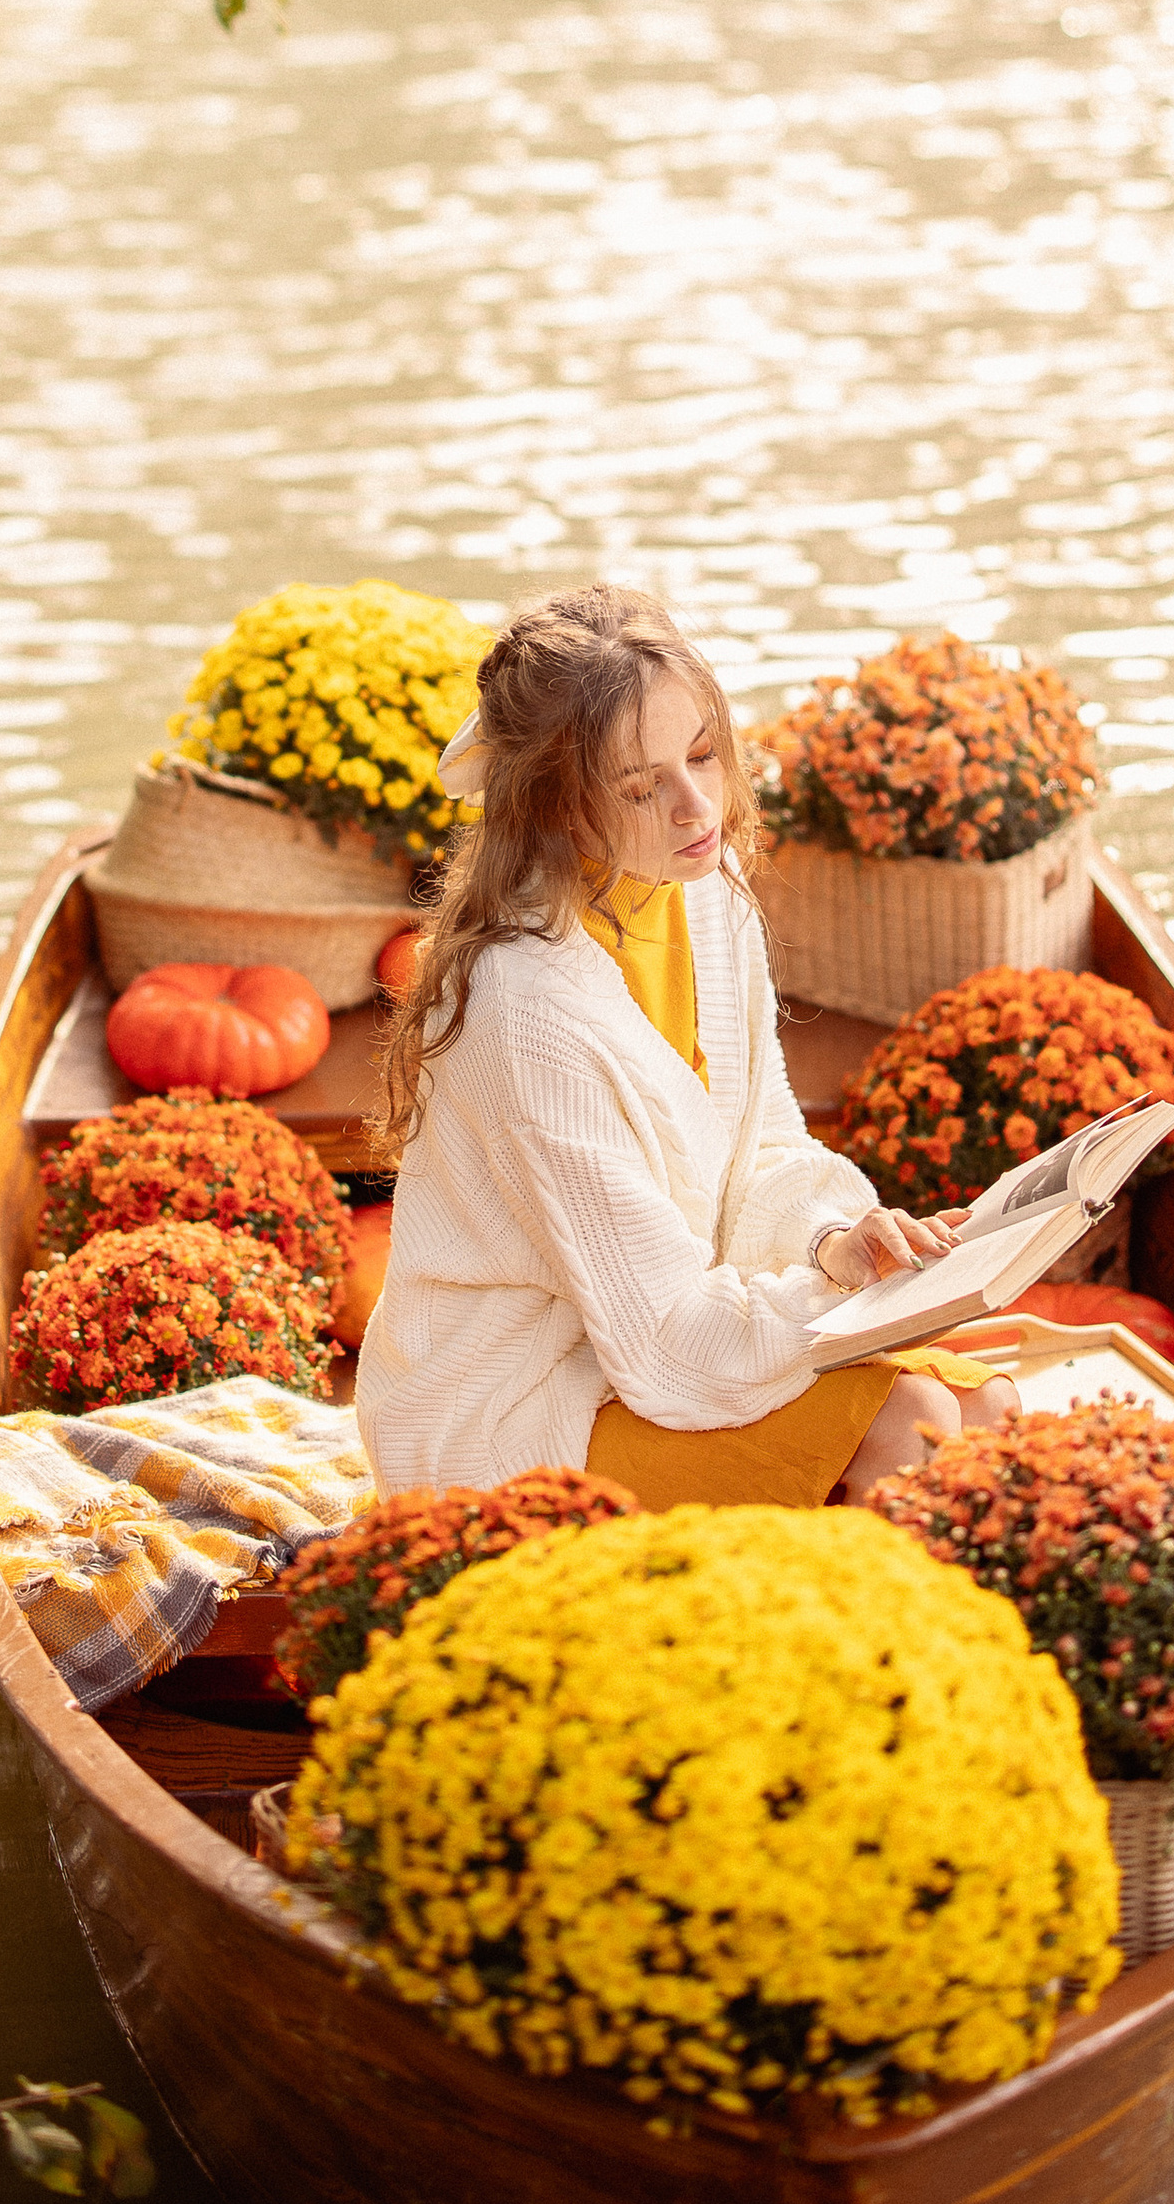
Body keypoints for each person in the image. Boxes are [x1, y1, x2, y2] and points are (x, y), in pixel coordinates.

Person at [358, 584, 1020, 1511]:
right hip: (516, 1407)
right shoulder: (524, 1009)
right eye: (640, 786)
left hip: (661, 1334)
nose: (695, 804)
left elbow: (761, 1150)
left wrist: (833, 1245)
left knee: (984, 1403)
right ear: (554, 806)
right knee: (907, 1430)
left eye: (703, 753)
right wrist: (836, 1309)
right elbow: (665, 1343)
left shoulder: (701, 885)